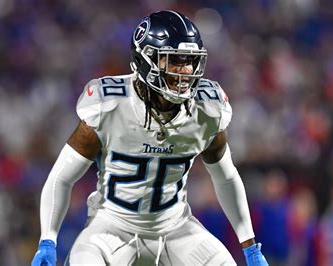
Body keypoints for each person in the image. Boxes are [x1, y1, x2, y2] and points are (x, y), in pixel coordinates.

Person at [31, 10, 268, 265]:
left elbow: (226, 177)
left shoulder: (207, 109)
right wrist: (48, 239)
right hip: (112, 228)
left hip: (176, 227)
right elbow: (62, 177)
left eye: (190, 60)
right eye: (175, 60)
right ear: (146, 60)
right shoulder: (109, 105)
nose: (186, 70)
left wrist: (250, 246)